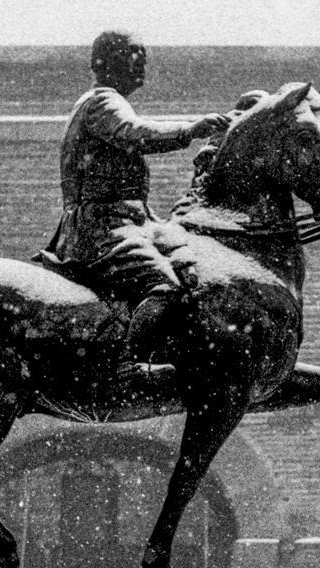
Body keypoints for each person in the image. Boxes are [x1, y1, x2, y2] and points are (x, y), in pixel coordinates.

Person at [38, 30, 230, 376]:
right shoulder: (102, 102)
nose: (141, 62)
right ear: (106, 63)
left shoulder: (108, 101)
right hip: (101, 228)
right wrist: (192, 129)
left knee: (190, 266)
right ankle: (123, 364)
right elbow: (134, 131)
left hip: (135, 223)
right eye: (132, 55)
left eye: (143, 55)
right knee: (165, 286)